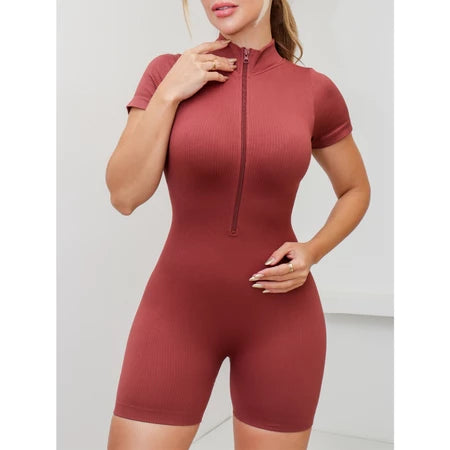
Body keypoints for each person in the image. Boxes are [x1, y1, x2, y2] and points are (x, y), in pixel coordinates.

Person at [105, 1, 371, 449]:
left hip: (282, 319)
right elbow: (124, 195)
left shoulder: (314, 91)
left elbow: (355, 189)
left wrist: (312, 250)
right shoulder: (167, 72)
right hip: (177, 313)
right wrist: (169, 94)